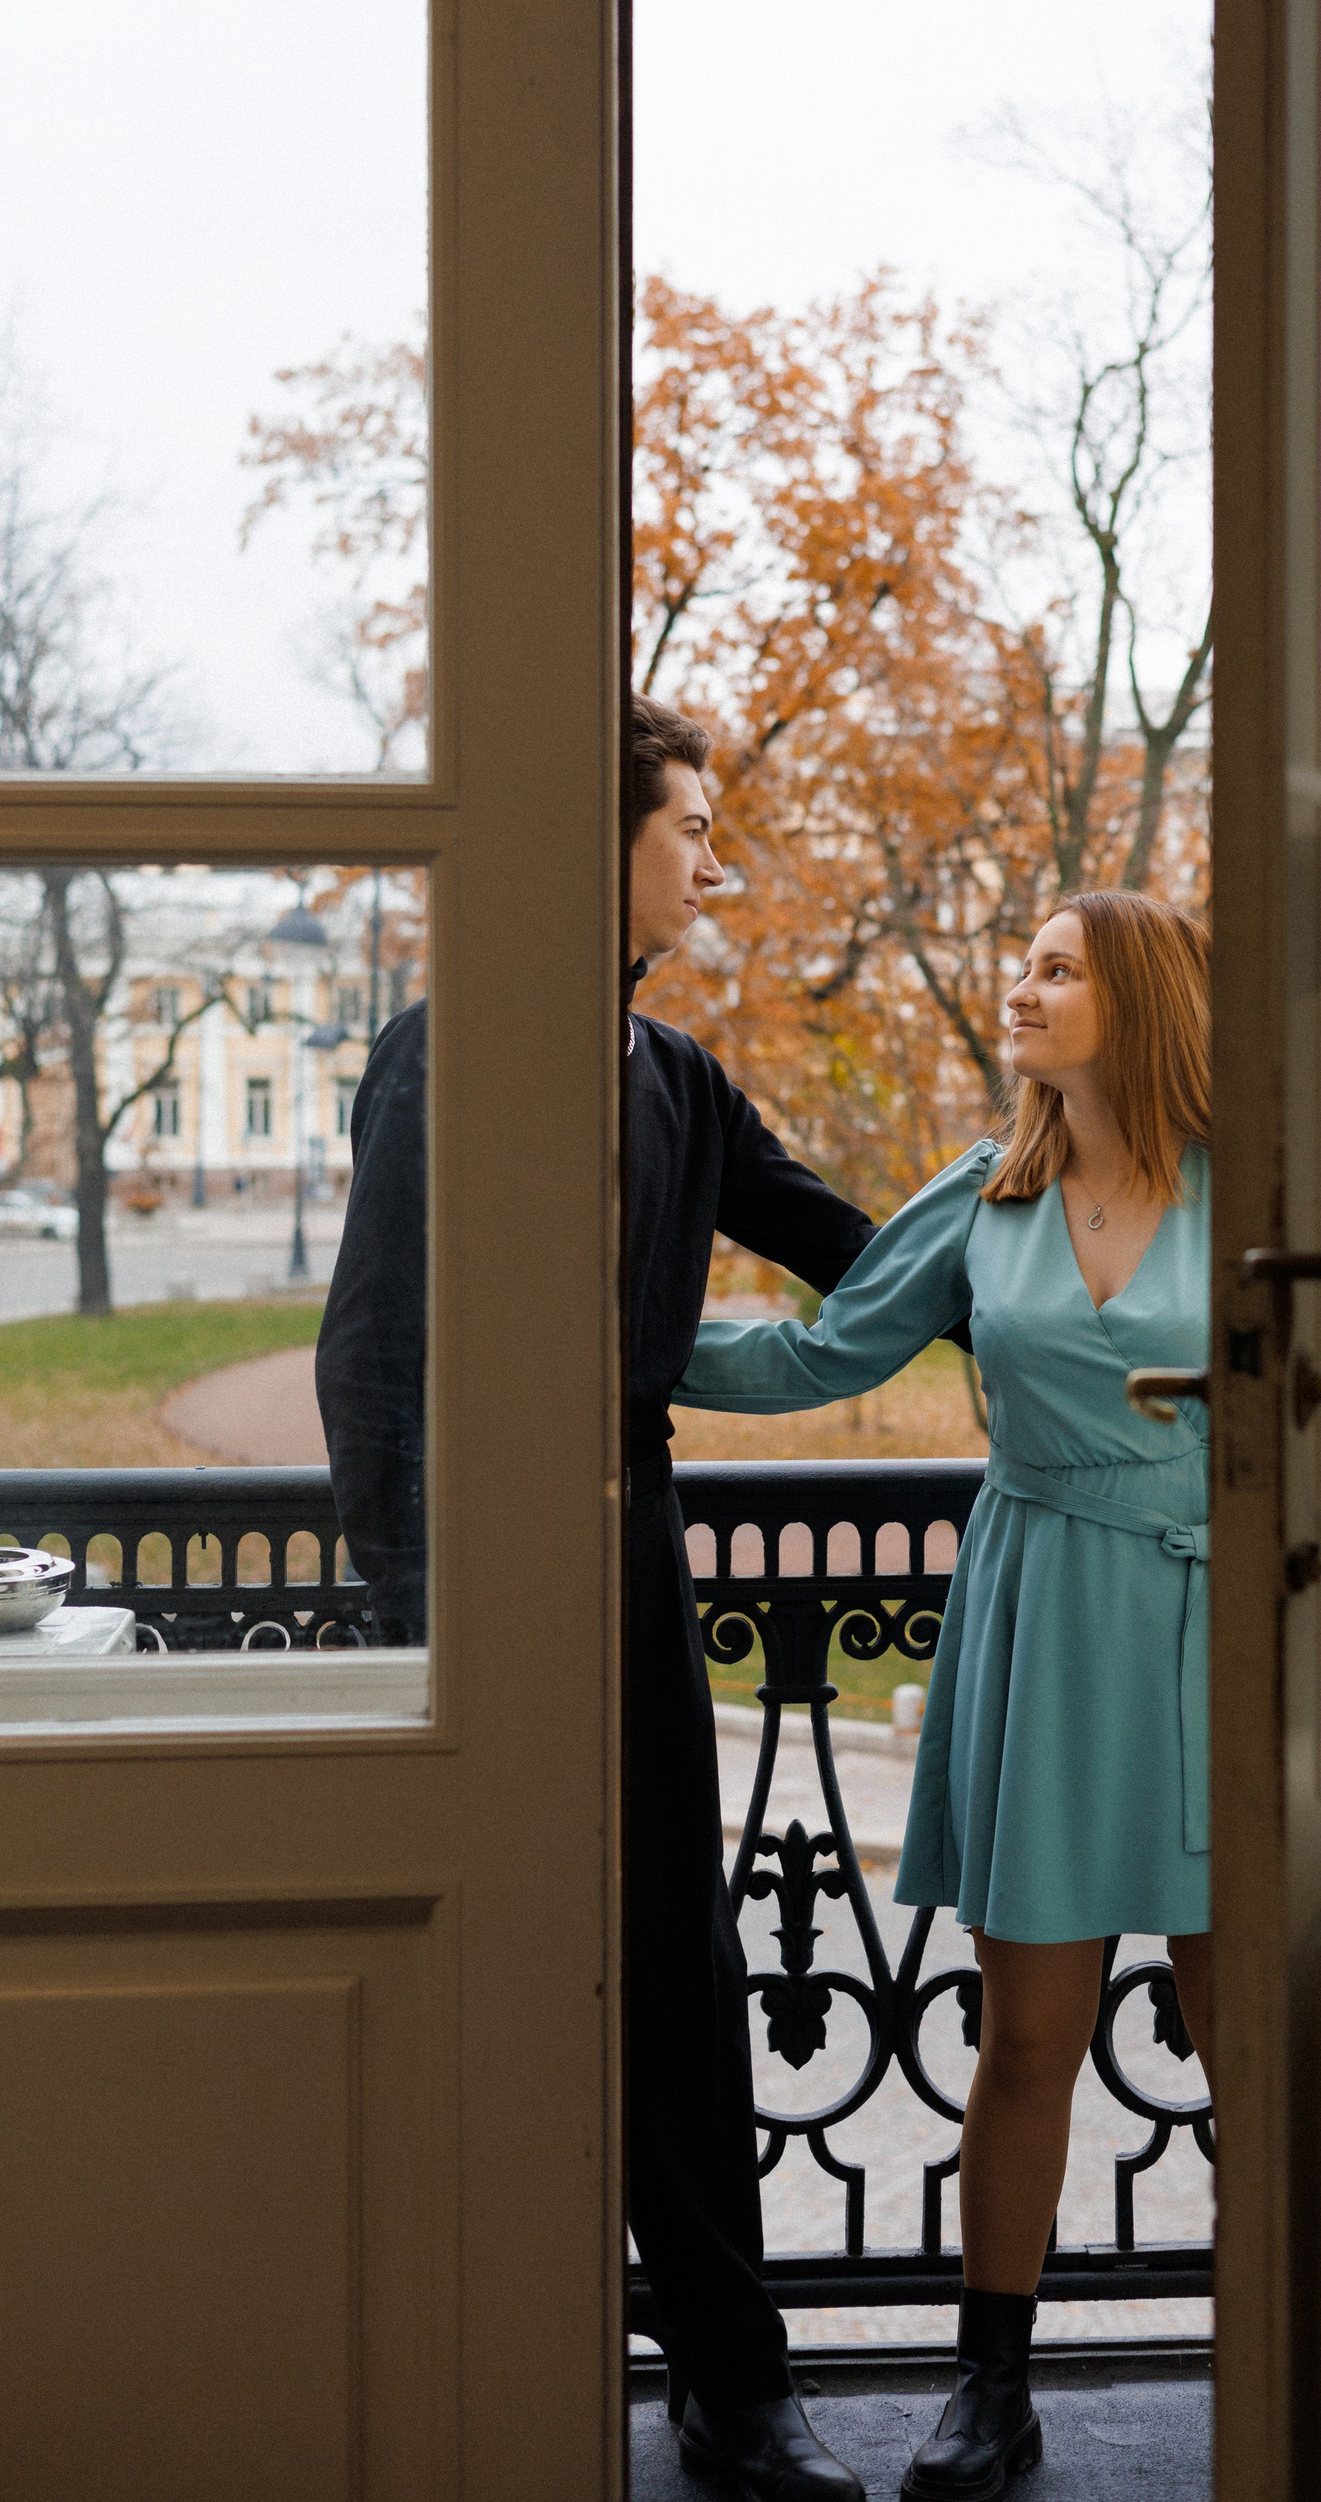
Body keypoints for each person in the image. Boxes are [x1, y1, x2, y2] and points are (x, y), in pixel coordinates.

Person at [317, 697, 875, 2502]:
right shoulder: (442, 1049)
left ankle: (733, 2387)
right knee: (492, 1963)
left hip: (633, 1563)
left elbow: (852, 1248)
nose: (716, 861)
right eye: (690, 826)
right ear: (601, 839)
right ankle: (456, 2372)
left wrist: (1053, 1250)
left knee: (684, 1971)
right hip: (480, 1585)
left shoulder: (681, 1078)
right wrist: (429, 1617)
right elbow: (368, 1362)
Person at [676, 889, 1213, 2502]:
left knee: (1247, 2033)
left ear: (1142, 998)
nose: (1018, 987)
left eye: (1055, 968)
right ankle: (994, 2389)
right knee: (1030, 2035)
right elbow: (822, 1355)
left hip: (1214, 1632)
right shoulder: (986, 1195)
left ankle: (1310, 2353)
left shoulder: (1257, 1194)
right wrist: (630, 1338)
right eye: (1021, 963)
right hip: (1043, 1621)